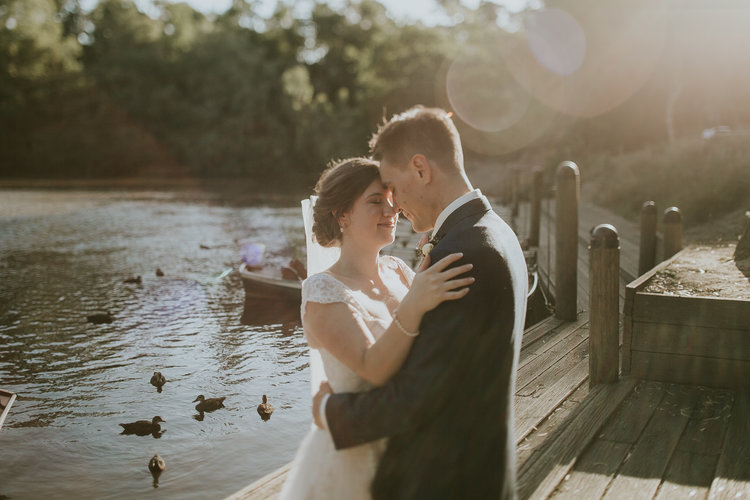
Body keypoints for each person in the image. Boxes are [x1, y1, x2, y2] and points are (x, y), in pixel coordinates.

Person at [313, 106, 528, 499]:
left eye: (392, 187)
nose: (393, 203)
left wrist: (329, 411)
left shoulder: (463, 253)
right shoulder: (494, 232)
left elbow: (417, 397)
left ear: (421, 169)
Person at [279, 157, 475, 500]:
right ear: (342, 215)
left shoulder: (399, 271)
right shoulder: (323, 293)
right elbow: (374, 368)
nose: (391, 212)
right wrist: (415, 304)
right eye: (374, 203)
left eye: (392, 202)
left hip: (411, 437)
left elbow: (434, 340)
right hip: (356, 456)